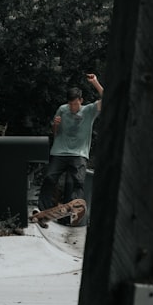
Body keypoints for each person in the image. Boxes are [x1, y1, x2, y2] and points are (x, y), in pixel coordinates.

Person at [38, 73, 103, 213]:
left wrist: (95, 82)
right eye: (70, 104)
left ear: (81, 100)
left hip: (79, 153)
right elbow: (54, 132)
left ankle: (75, 212)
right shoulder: (62, 109)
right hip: (60, 151)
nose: (73, 107)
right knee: (49, 178)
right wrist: (55, 125)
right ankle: (44, 210)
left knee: (77, 182)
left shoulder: (89, 110)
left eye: (75, 104)